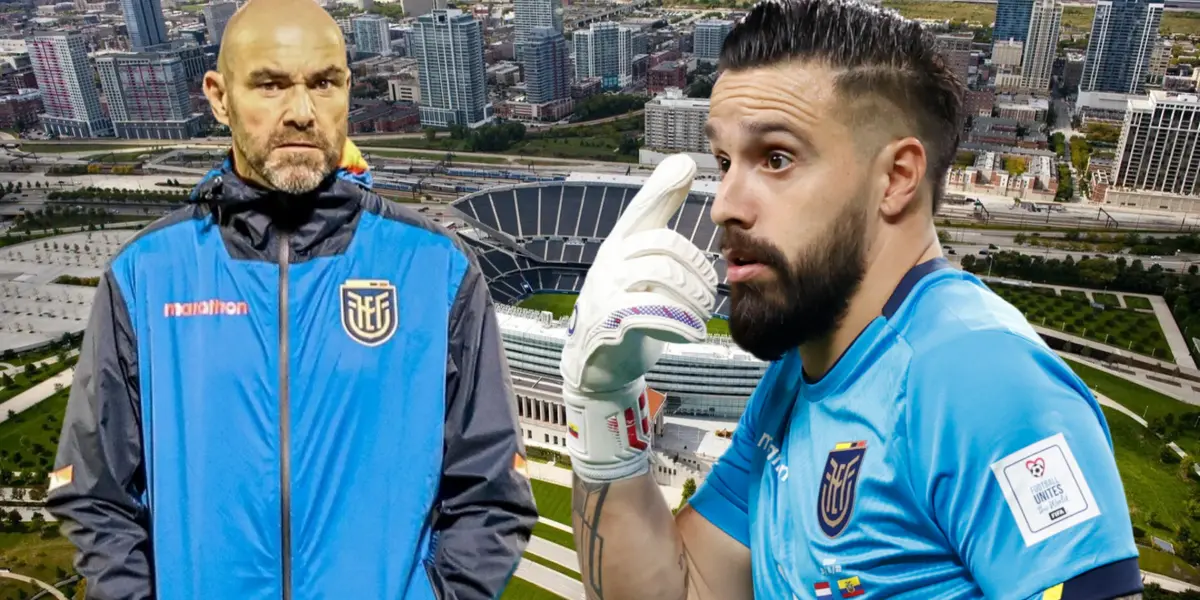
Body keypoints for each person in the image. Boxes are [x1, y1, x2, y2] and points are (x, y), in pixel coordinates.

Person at [558, 1, 1142, 599]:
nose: (724, 203)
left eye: (777, 158)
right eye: (726, 161)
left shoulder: (976, 381)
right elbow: (690, 590)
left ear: (895, 178)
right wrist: (601, 406)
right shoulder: (799, 373)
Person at [44, 0, 537, 598]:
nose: (302, 112)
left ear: (348, 91)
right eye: (271, 85)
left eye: (324, 83)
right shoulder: (147, 275)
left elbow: (493, 494)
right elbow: (94, 493)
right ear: (219, 96)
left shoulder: (436, 269)